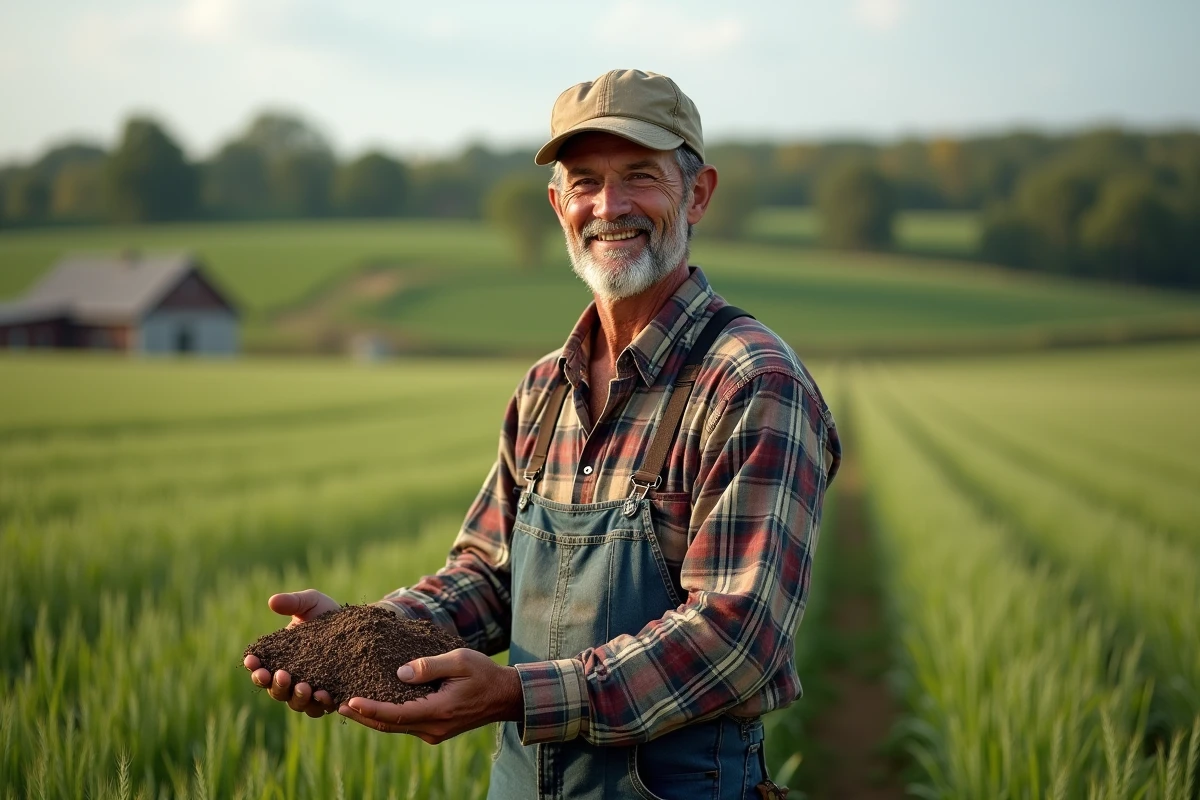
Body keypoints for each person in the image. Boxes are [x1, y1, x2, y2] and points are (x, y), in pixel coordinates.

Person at [245, 68, 840, 800]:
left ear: (699, 193)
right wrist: (366, 637)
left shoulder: (750, 382)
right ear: (559, 204)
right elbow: (491, 577)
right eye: (584, 181)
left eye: (640, 176)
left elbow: (735, 635)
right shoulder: (542, 390)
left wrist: (517, 696)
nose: (608, 206)